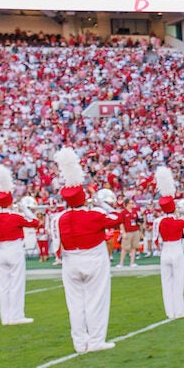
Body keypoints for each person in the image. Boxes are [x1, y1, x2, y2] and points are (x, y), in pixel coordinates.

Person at [55, 149, 123, 354]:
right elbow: (118, 218)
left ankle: (79, 343)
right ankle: (95, 341)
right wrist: (100, 202)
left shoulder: (59, 218)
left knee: (75, 304)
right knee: (96, 300)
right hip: (93, 258)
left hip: (70, 261)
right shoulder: (95, 214)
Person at [0, 164, 39, 325]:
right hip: (14, 249)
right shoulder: (16, 217)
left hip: (1, 250)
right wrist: (24, 209)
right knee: (16, 283)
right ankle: (16, 315)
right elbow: (35, 222)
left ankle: (6, 317)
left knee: (3, 286)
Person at [154, 167, 184, 319]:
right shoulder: (177, 221)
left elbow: (155, 240)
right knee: (178, 281)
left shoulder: (158, 222)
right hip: (176, 249)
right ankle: (179, 310)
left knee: (166, 283)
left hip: (165, 251)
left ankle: (170, 312)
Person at [118, 199, 144, 268]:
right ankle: (121, 263)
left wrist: (140, 230)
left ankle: (132, 262)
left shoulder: (135, 212)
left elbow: (138, 222)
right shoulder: (123, 212)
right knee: (124, 248)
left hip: (135, 231)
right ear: (127, 204)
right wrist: (123, 232)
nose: (132, 204)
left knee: (134, 247)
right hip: (127, 231)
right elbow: (121, 223)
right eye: (131, 203)